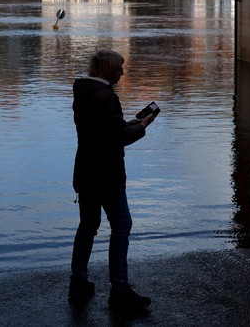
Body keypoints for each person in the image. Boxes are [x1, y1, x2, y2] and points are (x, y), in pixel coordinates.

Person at [68, 49, 157, 313]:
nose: (122, 72)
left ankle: (78, 282)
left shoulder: (84, 92)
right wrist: (142, 126)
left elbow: (105, 131)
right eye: (119, 68)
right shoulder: (107, 97)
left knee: (88, 225)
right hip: (107, 174)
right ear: (107, 70)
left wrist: (130, 122)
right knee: (121, 225)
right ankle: (119, 290)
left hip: (85, 171)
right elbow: (119, 138)